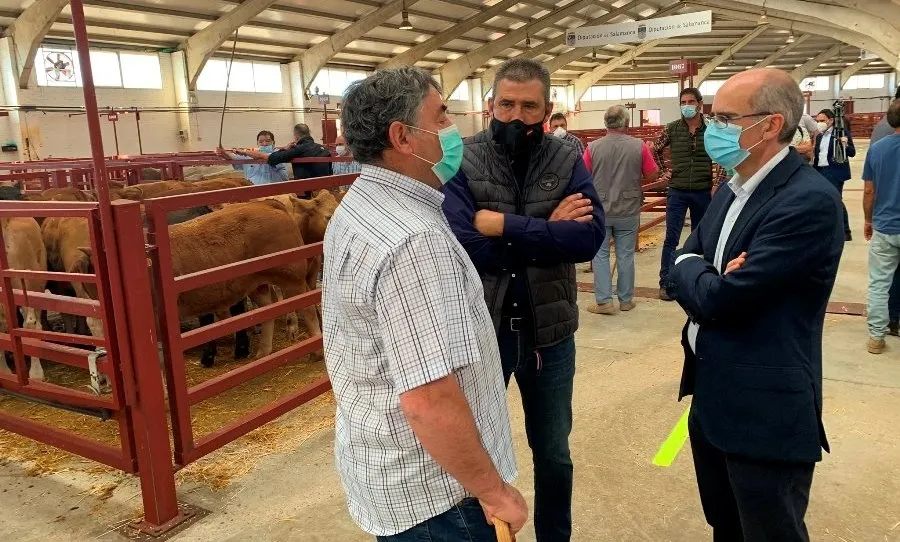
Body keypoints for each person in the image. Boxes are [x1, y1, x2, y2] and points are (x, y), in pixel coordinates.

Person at [321, 66, 526, 541]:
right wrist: (493, 491)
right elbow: (429, 398)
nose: (454, 129)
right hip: (441, 495)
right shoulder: (415, 240)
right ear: (403, 137)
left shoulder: (360, 205)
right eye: (442, 116)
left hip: (388, 469)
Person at [667, 68, 843, 542]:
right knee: (725, 525)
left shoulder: (808, 201)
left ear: (769, 124)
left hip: (763, 412)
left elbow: (723, 300)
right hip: (713, 400)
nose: (710, 128)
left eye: (725, 118)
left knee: (769, 531)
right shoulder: (732, 189)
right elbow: (680, 260)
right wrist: (699, 269)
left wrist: (700, 274)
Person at [443, 58, 605, 542]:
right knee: (478, 454)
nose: (516, 115)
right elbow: (464, 246)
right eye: (507, 104)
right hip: (483, 335)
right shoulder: (462, 158)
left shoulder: (566, 158)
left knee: (553, 452)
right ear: (490, 104)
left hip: (549, 337)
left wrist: (504, 225)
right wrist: (549, 228)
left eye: (528, 106)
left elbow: (588, 239)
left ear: (546, 108)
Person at [583, 105, 658, 315]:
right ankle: (626, 300)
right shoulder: (639, 146)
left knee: (600, 255)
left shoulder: (593, 147)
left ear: (606, 123)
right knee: (625, 255)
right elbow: (652, 175)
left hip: (601, 210)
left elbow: (583, 175)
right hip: (629, 208)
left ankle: (604, 301)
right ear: (626, 123)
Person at [653, 87, 726, 301]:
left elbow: (721, 154)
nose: (687, 105)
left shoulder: (712, 128)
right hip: (677, 190)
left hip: (703, 190)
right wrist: (663, 170)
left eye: (690, 101)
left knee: (699, 238)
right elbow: (655, 148)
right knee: (671, 238)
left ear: (700, 103)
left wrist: (717, 182)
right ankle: (666, 283)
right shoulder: (672, 128)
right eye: (683, 102)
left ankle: (696, 282)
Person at [862, 99, 900, 354]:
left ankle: (877, 336)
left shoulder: (877, 149)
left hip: (886, 226)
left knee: (879, 282)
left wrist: (868, 219)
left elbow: (869, 190)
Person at [813, 108, 856, 241]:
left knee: (835, 199)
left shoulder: (841, 133)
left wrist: (845, 144)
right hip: (821, 171)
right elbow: (818, 155)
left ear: (831, 120)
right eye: (817, 121)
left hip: (834, 172)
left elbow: (852, 152)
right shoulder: (820, 136)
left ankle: (845, 230)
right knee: (823, 200)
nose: (819, 123)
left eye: (822, 120)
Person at [218, 130, 289, 185]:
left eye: (268, 141)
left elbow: (265, 156)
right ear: (257, 144)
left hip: (278, 194)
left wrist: (245, 151)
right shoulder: (250, 155)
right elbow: (231, 157)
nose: (264, 144)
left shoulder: (280, 154)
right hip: (254, 196)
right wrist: (223, 153)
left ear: (273, 143)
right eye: (261, 142)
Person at [267, 123, 333, 180]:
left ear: (296, 136)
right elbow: (330, 171)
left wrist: (285, 148)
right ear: (309, 133)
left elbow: (272, 159)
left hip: (306, 190)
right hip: (325, 189)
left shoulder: (298, 149)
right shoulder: (324, 149)